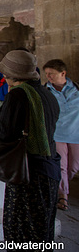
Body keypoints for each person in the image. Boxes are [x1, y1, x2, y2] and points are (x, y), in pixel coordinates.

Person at [0, 50, 60, 252]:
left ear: (12, 75)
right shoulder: (47, 94)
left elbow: (7, 132)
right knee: (42, 232)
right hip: (49, 169)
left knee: (21, 231)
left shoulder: (18, 94)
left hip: (28, 173)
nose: (4, 79)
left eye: (6, 75)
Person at [42, 59, 79, 212]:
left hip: (75, 133)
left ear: (63, 73)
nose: (49, 77)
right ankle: (63, 195)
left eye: (51, 74)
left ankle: (61, 185)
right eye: (47, 74)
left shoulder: (76, 89)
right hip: (57, 134)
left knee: (73, 167)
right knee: (61, 166)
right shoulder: (46, 91)